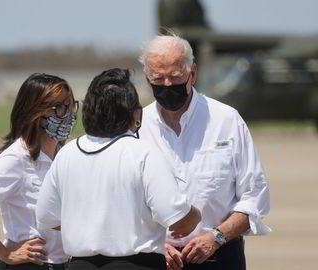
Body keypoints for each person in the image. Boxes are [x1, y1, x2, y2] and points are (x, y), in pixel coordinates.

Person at [36, 68, 201, 270]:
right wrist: (196, 215)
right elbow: (180, 222)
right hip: (136, 264)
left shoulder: (67, 153)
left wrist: (92, 229)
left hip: (80, 264)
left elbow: (46, 217)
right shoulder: (144, 153)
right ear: (135, 114)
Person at [139, 34, 271, 270]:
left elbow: (254, 197)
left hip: (219, 254)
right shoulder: (136, 127)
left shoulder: (226, 120)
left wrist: (216, 237)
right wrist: (156, 245)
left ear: (193, 73)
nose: (168, 85)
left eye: (176, 76)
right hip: (157, 258)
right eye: (159, 78)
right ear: (147, 78)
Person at [0, 73, 78, 270]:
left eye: (70, 104)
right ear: (36, 113)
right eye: (59, 107)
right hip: (31, 264)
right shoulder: (17, 158)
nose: (69, 113)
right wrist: (5, 253)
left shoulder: (65, 156)